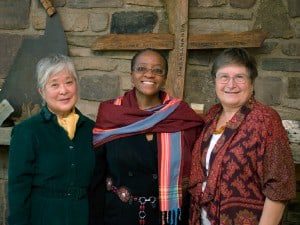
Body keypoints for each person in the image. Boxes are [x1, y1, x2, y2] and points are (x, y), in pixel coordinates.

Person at [90, 49, 203, 225]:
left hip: (167, 217)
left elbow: (196, 169)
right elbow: (96, 174)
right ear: (132, 75)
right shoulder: (111, 114)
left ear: (164, 78)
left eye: (157, 70)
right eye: (141, 68)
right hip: (118, 216)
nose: (149, 74)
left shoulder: (181, 116)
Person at [189, 48, 296, 225]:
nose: (230, 84)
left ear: (252, 83)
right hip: (204, 218)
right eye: (223, 77)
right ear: (215, 81)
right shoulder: (212, 116)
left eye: (239, 77)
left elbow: (279, 185)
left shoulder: (266, 120)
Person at [8, 54, 95, 225]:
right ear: (42, 91)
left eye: (69, 82)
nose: (63, 90)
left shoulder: (92, 129)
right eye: (54, 84)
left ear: (76, 85)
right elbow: (18, 191)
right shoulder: (26, 131)